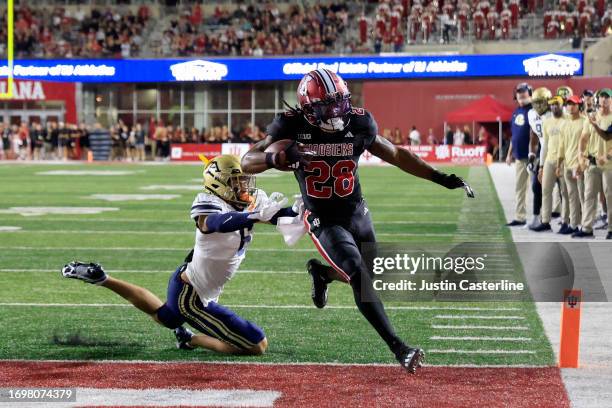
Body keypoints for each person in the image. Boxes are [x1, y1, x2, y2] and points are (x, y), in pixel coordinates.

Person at [240, 68, 474, 374]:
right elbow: (247, 160)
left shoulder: (360, 121)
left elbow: (395, 153)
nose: (336, 112)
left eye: (340, 102)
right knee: (358, 275)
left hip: (356, 211)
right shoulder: (291, 125)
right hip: (323, 217)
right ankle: (399, 348)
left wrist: (439, 178)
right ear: (309, 106)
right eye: (328, 105)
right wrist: (277, 158)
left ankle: (322, 273)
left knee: (371, 276)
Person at [62, 155, 297, 354]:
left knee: (166, 316)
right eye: (237, 182)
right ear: (219, 184)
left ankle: (102, 278)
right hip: (193, 296)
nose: (244, 188)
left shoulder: (243, 203)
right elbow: (214, 223)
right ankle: (191, 339)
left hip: (192, 283)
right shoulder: (208, 201)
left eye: (244, 181)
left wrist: (302, 209)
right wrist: (253, 216)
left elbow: (278, 215)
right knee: (256, 345)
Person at [573, 88, 612, 239]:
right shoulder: (591, 117)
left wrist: (607, 156)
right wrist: (580, 157)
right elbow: (583, 139)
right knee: (589, 195)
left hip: (609, 164)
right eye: (601, 97)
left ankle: (611, 229)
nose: (604, 100)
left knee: (610, 196)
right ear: (597, 100)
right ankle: (587, 228)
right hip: (593, 163)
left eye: (607, 97)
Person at [531, 96, 568, 232]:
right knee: (545, 191)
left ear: (562, 105)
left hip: (564, 161)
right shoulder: (547, 122)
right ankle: (545, 221)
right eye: (551, 105)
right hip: (549, 161)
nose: (553, 107)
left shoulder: (568, 120)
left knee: (565, 192)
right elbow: (544, 145)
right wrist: (541, 166)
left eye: (556, 104)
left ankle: (566, 221)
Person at [556, 95, 586, 234]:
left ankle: (585, 226)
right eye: (568, 104)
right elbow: (561, 146)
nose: (571, 106)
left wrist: (583, 162)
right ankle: (574, 225)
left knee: (583, 196)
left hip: (580, 165)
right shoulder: (564, 124)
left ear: (579, 105)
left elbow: (588, 144)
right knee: (572, 196)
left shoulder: (585, 122)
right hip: (567, 165)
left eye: (574, 104)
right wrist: (558, 164)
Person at [505, 83, 533, 227]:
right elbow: (514, 136)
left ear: (529, 93)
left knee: (539, 188)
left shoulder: (534, 111)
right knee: (520, 188)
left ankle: (543, 217)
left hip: (534, 157)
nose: (521, 94)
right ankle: (520, 217)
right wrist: (509, 154)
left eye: (524, 91)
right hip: (520, 157)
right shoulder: (516, 112)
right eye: (519, 92)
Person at [527, 87, 552, 229]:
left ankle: (570, 221)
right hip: (544, 152)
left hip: (558, 153)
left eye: (541, 102)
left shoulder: (554, 114)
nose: (538, 106)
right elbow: (534, 135)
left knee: (564, 190)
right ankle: (538, 218)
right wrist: (531, 156)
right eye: (535, 102)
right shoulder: (531, 114)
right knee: (538, 186)